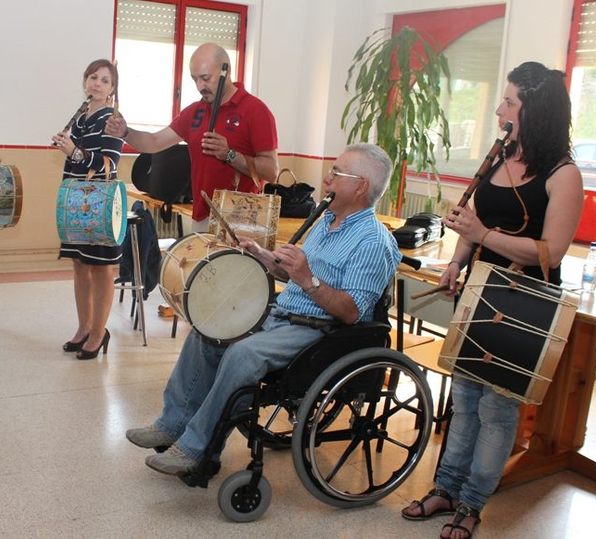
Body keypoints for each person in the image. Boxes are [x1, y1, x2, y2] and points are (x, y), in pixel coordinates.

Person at [126, 143, 401, 475]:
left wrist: (307, 277)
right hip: (283, 314)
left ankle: (197, 447)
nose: (326, 178)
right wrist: (265, 257)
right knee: (210, 329)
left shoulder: (373, 242)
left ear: (360, 187)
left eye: (337, 173)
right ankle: (173, 423)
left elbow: (352, 311)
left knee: (243, 354)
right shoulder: (327, 219)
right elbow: (295, 274)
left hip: (320, 330)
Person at [401, 62, 584, 539]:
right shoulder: (500, 155)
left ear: (535, 112)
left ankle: (472, 503)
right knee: (464, 400)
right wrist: (458, 261)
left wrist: (483, 235)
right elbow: (472, 220)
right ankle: (446, 487)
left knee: (497, 410)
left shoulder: (564, 174)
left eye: (509, 102)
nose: (500, 109)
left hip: (526, 301)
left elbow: (551, 252)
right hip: (481, 290)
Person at [106, 43, 279, 231]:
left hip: (242, 220)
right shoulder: (195, 112)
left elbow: (271, 171)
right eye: (195, 79)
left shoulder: (255, 111)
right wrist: (125, 132)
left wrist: (229, 155)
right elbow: (154, 142)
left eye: (205, 78)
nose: (199, 86)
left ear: (226, 72)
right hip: (202, 216)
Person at [52, 59, 125, 360]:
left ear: (112, 88)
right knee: (80, 266)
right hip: (76, 201)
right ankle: (83, 328)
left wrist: (75, 152)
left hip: (100, 204)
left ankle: (99, 332)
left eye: (105, 80)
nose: (97, 83)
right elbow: (77, 161)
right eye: (93, 77)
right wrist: (68, 147)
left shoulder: (112, 118)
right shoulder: (81, 117)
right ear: (84, 81)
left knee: (102, 270)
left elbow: (109, 165)